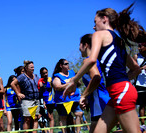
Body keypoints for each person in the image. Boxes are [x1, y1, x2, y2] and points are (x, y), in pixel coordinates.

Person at [63, 4, 144, 133]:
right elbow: (136, 69)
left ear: (104, 19)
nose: (94, 26)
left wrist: (74, 80)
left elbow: (92, 59)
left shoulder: (99, 34)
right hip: (119, 91)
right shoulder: (118, 41)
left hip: (121, 92)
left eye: (95, 21)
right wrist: (122, 80)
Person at [79, 34, 110, 132]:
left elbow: (96, 78)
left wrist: (83, 95)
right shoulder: (99, 59)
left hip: (101, 101)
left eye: (79, 45)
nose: (79, 48)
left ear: (86, 45)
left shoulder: (88, 60)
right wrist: (88, 98)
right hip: (99, 101)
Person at [52, 59, 83, 133]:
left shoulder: (72, 72)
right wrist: (70, 83)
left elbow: (79, 83)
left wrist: (76, 80)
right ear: (61, 65)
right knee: (63, 117)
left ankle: (78, 132)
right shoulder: (57, 76)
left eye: (68, 63)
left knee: (79, 113)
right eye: (66, 64)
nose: (68, 65)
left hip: (75, 98)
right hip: (63, 100)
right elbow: (57, 87)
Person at [11, 60, 40, 133]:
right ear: (26, 68)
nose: (33, 68)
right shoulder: (22, 76)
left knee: (36, 118)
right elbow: (12, 84)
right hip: (27, 100)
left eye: (33, 67)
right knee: (27, 119)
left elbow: (39, 85)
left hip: (36, 99)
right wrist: (18, 93)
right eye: (31, 67)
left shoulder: (36, 76)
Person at [38, 67, 55, 133]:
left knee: (50, 117)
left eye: (46, 73)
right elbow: (39, 92)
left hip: (50, 100)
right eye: (43, 73)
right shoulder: (40, 81)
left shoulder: (50, 79)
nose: (45, 74)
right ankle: (44, 131)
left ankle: (51, 131)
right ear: (41, 74)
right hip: (42, 100)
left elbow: (55, 89)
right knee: (41, 118)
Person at [133, 42, 146, 130]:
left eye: (141, 46)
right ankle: (143, 124)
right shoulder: (136, 57)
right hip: (139, 83)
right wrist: (141, 68)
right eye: (138, 46)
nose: (139, 48)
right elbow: (133, 70)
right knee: (141, 104)